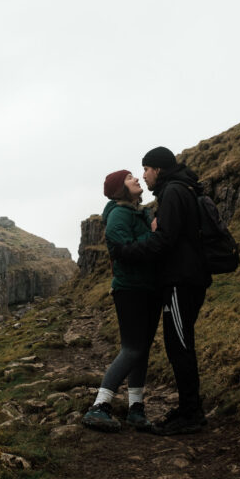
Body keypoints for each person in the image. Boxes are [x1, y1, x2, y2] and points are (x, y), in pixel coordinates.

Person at [109, 146, 212, 435]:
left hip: (183, 280)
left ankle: (191, 413)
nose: (144, 175)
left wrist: (127, 251)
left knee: (179, 346)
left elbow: (165, 240)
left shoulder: (174, 192)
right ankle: (187, 408)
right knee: (178, 343)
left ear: (158, 169)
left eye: (146, 170)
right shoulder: (178, 189)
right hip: (185, 278)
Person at [82, 169, 163, 433]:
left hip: (149, 288)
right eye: (130, 178)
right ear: (120, 188)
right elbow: (121, 248)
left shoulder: (140, 212)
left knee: (142, 350)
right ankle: (99, 406)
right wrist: (151, 235)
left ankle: (136, 409)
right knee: (132, 348)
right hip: (130, 289)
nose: (137, 179)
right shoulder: (118, 214)